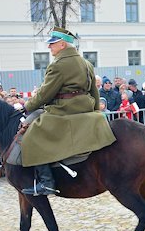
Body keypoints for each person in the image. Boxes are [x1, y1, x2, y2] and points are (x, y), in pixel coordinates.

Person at [18, 27, 116, 195]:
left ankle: (47, 182)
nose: (49, 47)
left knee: (33, 134)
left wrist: (26, 107)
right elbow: (94, 91)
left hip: (64, 109)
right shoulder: (86, 63)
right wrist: (94, 113)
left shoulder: (58, 65)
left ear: (62, 45)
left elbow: (44, 94)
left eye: (52, 44)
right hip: (85, 108)